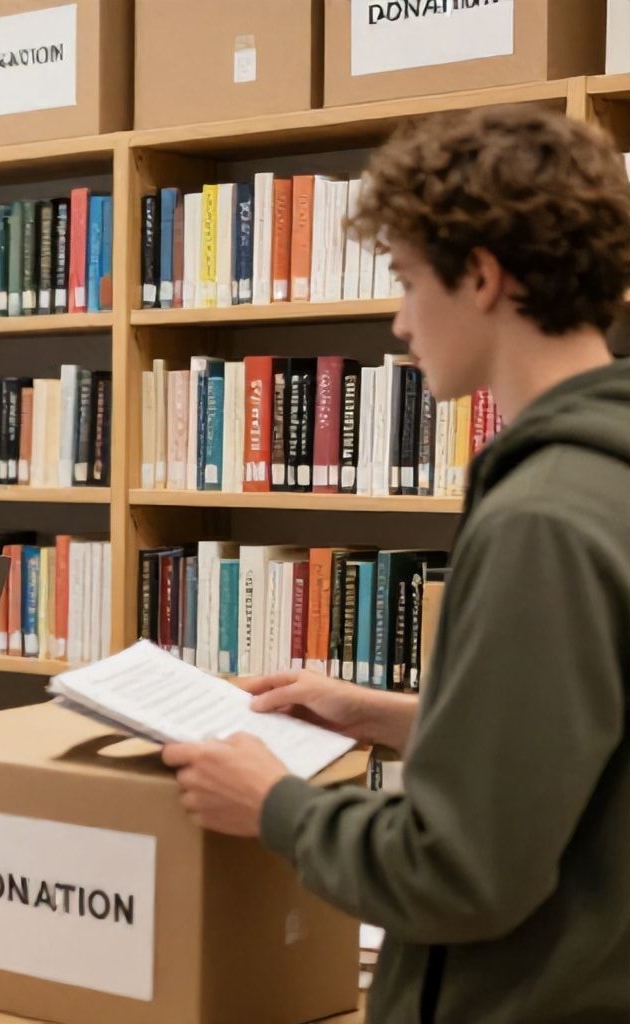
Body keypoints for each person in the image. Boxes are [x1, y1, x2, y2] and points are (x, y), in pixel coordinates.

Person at [163, 106, 630, 1022]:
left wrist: (277, 805)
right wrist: (394, 717)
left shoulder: (542, 519)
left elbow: (462, 871)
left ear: (484, 277)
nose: (399, 321)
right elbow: (586, 749)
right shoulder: (603, 475)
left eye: (411, 281)